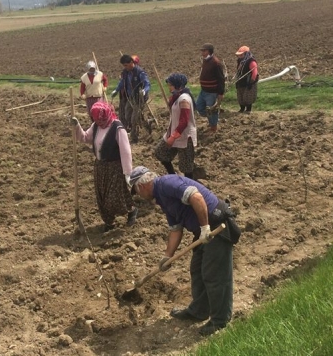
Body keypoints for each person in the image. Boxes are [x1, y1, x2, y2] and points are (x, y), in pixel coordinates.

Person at [128, 166, 240, 336]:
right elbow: (175, 230)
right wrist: (167, 256)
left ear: (140, 186)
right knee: (197, 269)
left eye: (136, 192)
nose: (139, 197)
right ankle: (199, 311)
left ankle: (220, 320)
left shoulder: (167, 183)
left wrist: (205, 228)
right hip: (204, 231)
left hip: (216, 226)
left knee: (215, 274)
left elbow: (196, 196)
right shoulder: (161, 198)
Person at [71, 101, 138, 232]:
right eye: (96, 120)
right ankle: (109, 222)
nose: (99, 122)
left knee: (113, 197)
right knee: (101, 197)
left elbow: (126, 151)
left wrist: (127, 172)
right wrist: (77, 126)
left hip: (115, 167)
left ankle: (132, 210)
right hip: (100, 167)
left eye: (100, 119)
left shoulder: (118, 128)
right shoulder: (96, 126)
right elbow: (85, 138)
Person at [154, 73, 197, 178]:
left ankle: (189, 187)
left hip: (185, 136)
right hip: (174, 132)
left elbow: (184, 122)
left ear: (178, 85)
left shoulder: (184, 99)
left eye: (170, 85)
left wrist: (173, 137)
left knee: (186, 167)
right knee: (160, 152)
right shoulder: (177, 96)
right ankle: (173, 176)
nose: (169, 87)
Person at [111, 54, 151, 143]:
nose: (125, 67)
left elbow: (147, 84)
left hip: (139, 98)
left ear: (131, 63)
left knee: (134, 119)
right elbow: (122, 82)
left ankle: (134, 138)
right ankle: (146, 122)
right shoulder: (125, 72)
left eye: (126, 65)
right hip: (130, 97)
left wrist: (144, 90)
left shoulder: (140, 72)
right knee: (127, 115)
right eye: (124, 66)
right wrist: (116, 90)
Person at [195, 44, 225, 133]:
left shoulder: (216, 63)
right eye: (202, 51)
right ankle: (211, 119)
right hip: (203, 90)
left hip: (212, 92)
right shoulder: (205, 61)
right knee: (199, 107)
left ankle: (213, 127)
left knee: (212, 110)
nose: (202, 53)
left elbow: (221, 79)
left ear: (209, 51)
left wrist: (220, 93)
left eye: (204, 51)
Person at [234, 46, 259, 113]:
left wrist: (252, 80)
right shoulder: (240, 61)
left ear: (246, 54)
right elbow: (239, 70)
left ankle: (248, 109)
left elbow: (255, 71)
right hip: (241, 80)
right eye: (239, 55)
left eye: (241, 55)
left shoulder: (251, 61)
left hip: (248, 80)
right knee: (240, 95)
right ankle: (242, 109)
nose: (239, 56)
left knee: (248, 96)